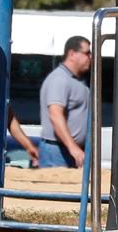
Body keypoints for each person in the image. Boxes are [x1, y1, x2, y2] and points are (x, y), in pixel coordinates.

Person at [38, 36, 93, 168]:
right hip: (58, 153)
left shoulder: (75, 80)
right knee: (56, 189)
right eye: (87, 53)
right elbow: (55, 115)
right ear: (72, 54)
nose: (91, 57)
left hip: (69, 152)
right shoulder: (59, 80)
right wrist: (73, 148)